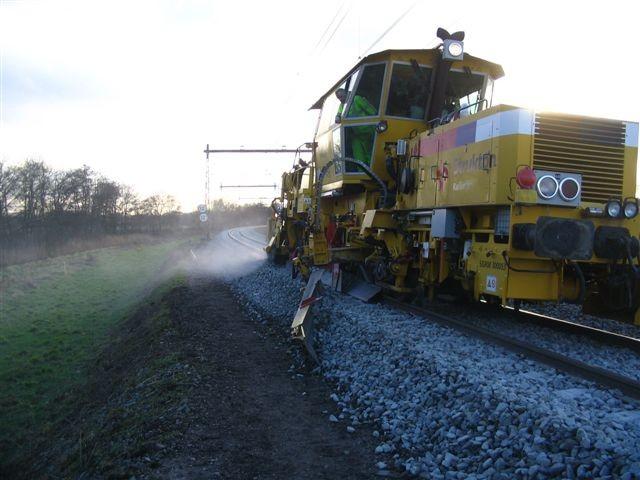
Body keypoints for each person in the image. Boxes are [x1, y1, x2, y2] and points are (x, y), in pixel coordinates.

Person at [334, 88, 376, 166]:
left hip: (367, 133)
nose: (340, 99)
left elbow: (372, 112)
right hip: (355, 135)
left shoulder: (357, 99)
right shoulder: (342, 105)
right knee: (359, 159)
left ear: (346, 94)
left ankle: (372, 174)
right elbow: (339, 114)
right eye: (338, 98)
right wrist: (337, 116)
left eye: (341, 96)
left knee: (371, 155)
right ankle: (361, 175)